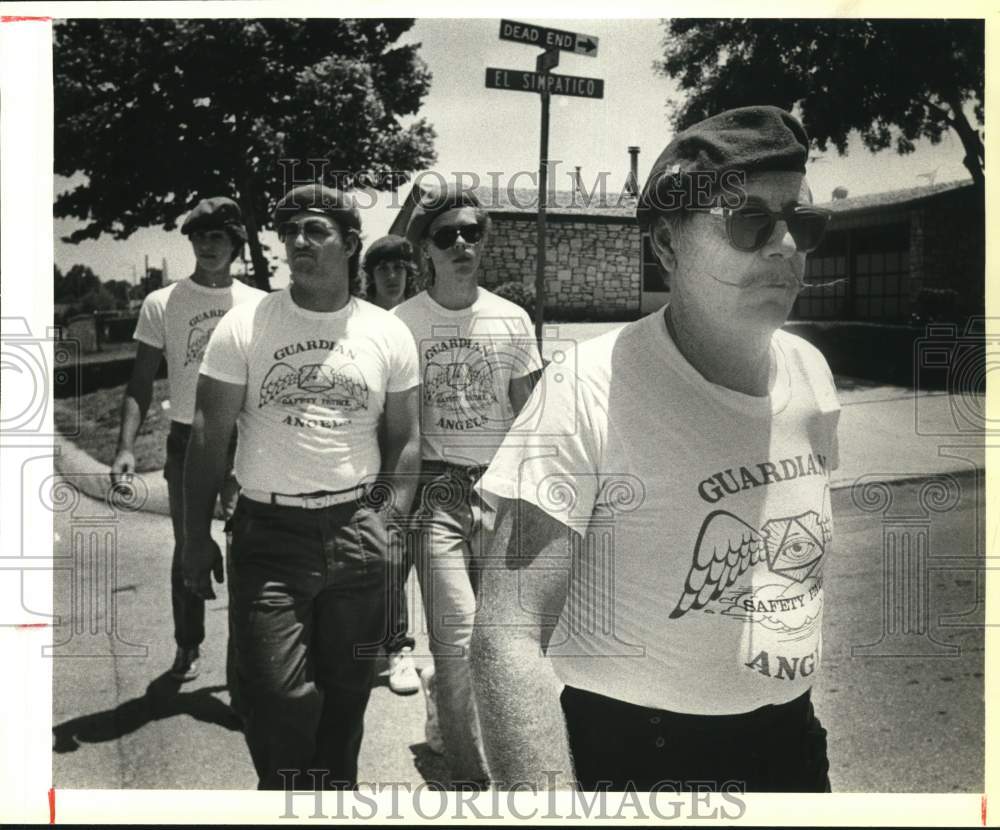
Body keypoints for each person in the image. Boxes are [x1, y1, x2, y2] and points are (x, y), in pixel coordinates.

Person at [472, 106, 841, 792]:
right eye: (750, 219)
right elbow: (507, 634)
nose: (786, 243)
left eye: (804, 221)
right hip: (641, 755)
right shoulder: (585, 388)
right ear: (669, 247)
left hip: (789, 740)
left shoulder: (812, 376)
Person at [181, 183, 421, 790]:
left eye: (315, 230)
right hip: (269, 533)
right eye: (290, 231)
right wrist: (192, 537)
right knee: (274, 693)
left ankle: (332, 797)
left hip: (357, 530)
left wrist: (389, 523)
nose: (297, 241)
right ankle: (284, 795)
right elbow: (208, 435)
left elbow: (405, 439)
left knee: (346, 696)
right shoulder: (247, 324)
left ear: (349, 245)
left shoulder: (387, 334)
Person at [393, 185, 543, 784]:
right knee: (456, 641)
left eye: (471, 232)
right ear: (424, 249)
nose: (460, 243)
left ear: (485, 242)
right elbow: (394, 425)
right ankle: (474, 783)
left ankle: (508, 752)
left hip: (502, 494)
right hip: (438, 496)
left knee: (504, 642)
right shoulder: (400, 324)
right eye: (445, 234)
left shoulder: (511, 320)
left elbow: (533, 419)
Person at [109, 196, 264, 682]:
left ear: (236, 242)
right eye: (200, 236)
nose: (208, 245)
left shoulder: (258, 304)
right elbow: (139, 383)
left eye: (218, 235)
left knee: (248, 553)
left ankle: (245, 664)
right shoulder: (164, 303)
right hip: (186, 440)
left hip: (246, 440)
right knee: (189, 546)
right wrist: (125, 447)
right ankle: (187, 645)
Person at [361, 235, 422, 697]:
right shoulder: (359, 321)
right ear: (370, 274)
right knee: (386, 557)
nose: (392, 275)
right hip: (375, 454)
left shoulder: (420, 317)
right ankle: (394, 645)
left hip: (427, 455)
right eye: (383, 268)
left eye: (400, 267)